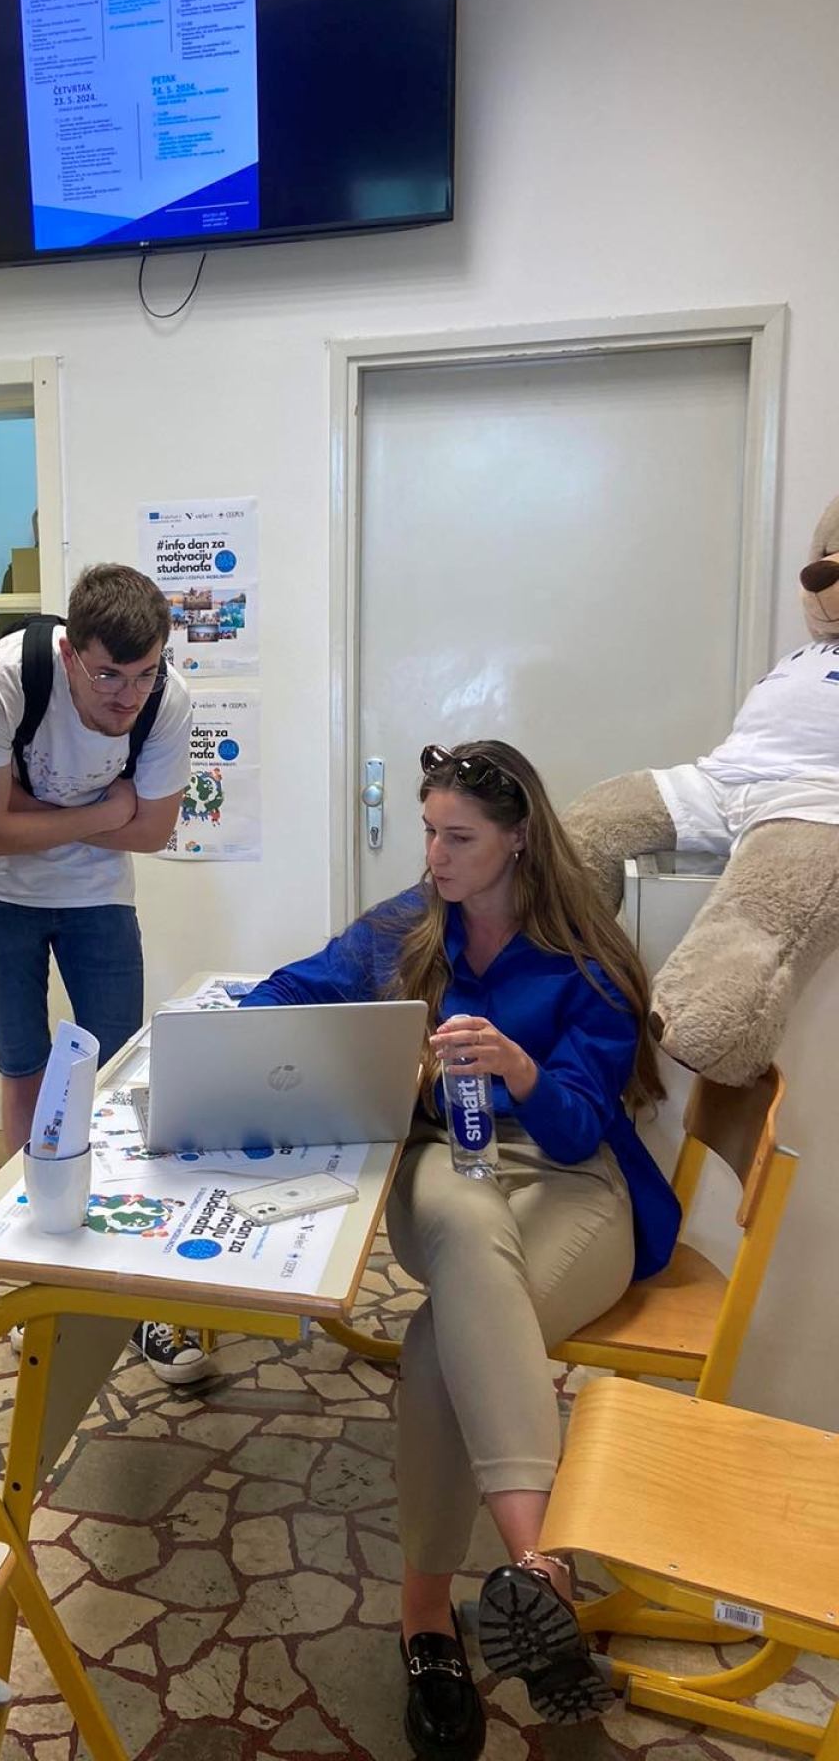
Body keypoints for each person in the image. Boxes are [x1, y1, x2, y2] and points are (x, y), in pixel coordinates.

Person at [244, 741, 680, 1760]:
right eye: (429, 832)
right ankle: (545, 1572)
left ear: (519, 840)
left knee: (443, 1345)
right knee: (470, 1230)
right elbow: (290, 992)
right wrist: (257, 1046)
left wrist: (522, 1068)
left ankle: (429, 1621)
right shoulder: (409, 927)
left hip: (574, 1183)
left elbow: (577, 1130)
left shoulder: (588, 959)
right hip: (447, 1163)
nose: (435, 856)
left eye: (460, 838)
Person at [0, 563, 207, 1386]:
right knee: (24, 1066)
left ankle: (135, 1278)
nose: (128, 696)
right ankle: (39, 1272)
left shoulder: (168, 702)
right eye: (108, 675)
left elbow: (155, 832)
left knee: (121, 1072)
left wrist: (34, 815)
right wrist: (104, 811)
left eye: (144, 673)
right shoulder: (9, 678)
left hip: (99, 899)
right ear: (70, 653)